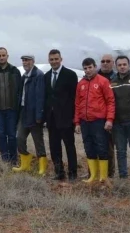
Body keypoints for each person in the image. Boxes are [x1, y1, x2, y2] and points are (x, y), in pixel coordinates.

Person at [73, 58, 115, 185]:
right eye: (85, 68)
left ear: (95, 67)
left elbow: (110, 101)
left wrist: (109, 119)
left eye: (90, 67)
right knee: (89, 148)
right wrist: (77, 122)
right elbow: (77, 104)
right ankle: (93, 176)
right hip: (85, 121)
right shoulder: (81, 84)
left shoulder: (103, 81)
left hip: (99, 121)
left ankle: (103, 177)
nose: (88, 70)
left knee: (102, 148)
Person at [44, 49, 78, 181]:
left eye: (56, 59)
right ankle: (59, 172)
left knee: (69, 146)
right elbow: (46, 97)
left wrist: (74, 118)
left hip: (66, 118)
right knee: (54, 147)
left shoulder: (70, 74)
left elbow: (75, 97)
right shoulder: (46, 76)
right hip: (51, 119)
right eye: (51, 59)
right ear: (49, 60)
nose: (54, 61)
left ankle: (73, 173)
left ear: (61, 59)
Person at [12, 54, 46, 175]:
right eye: (23, 61)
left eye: (27, 60)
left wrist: (39, 115)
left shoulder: (39, 75)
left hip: (34, 113)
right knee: (19, 138)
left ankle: (42, 168)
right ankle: (25, 164)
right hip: (23, 112)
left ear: (33, 61)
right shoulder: (24, 76)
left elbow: (40, 97)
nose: (25, 62)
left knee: (38, 141)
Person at [98, 54, 117, 177]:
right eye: (103, 61)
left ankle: (109, 173)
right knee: (95, 145)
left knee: (109, 146)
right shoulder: (95, 76)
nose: (105, 63)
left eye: (108, 61)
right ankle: (94, 172)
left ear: (113, 63)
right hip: (97, 117)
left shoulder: (117, 78)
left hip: (112, 117)